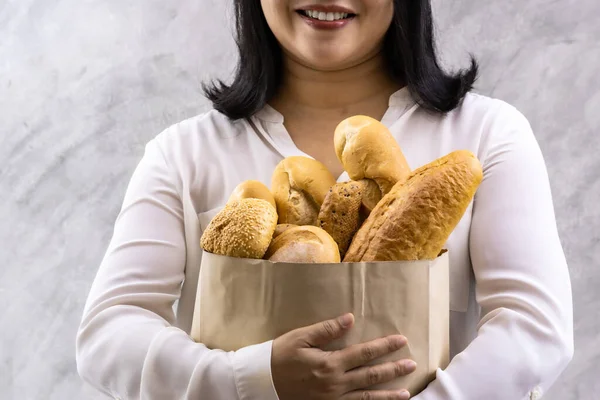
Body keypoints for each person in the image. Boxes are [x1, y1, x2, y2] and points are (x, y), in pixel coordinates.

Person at [75, 1, 574, 399]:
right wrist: (253, 379)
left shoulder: (486, 135)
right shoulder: (184, 154)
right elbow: (108, 333)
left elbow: (534, 325)